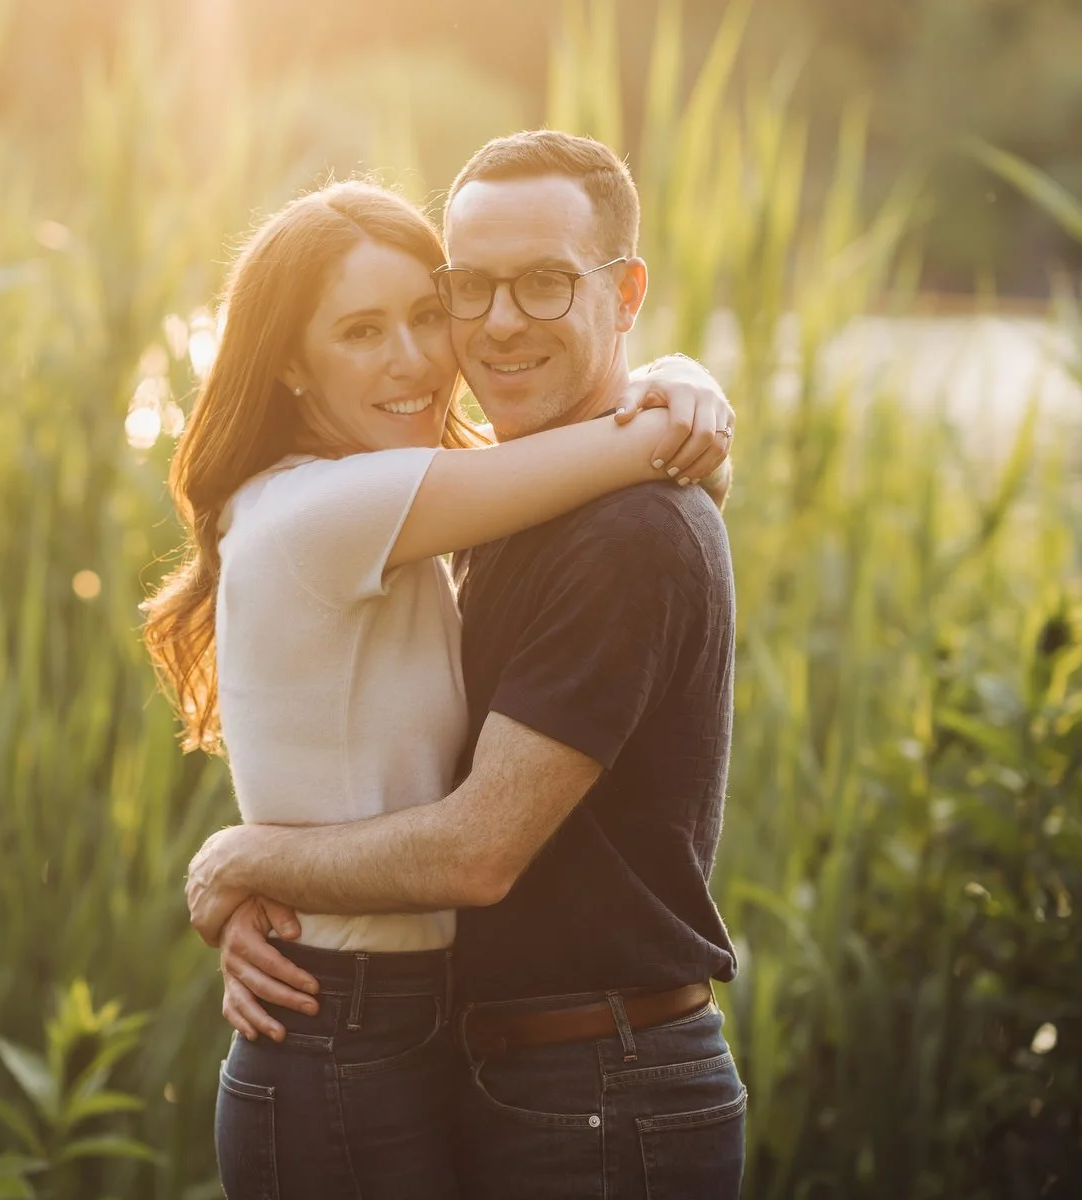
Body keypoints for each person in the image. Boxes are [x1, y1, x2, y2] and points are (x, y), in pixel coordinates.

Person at [142, 172, 734, 1199]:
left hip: (419, 1032)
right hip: (348, 1031)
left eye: (425, 313)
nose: (416, 358)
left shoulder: (422, 511)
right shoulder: (332, 510)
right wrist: (686, 398)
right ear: (288, 360)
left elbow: (625, 479)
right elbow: (632, 450)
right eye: (361, 332)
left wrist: (249, 861)